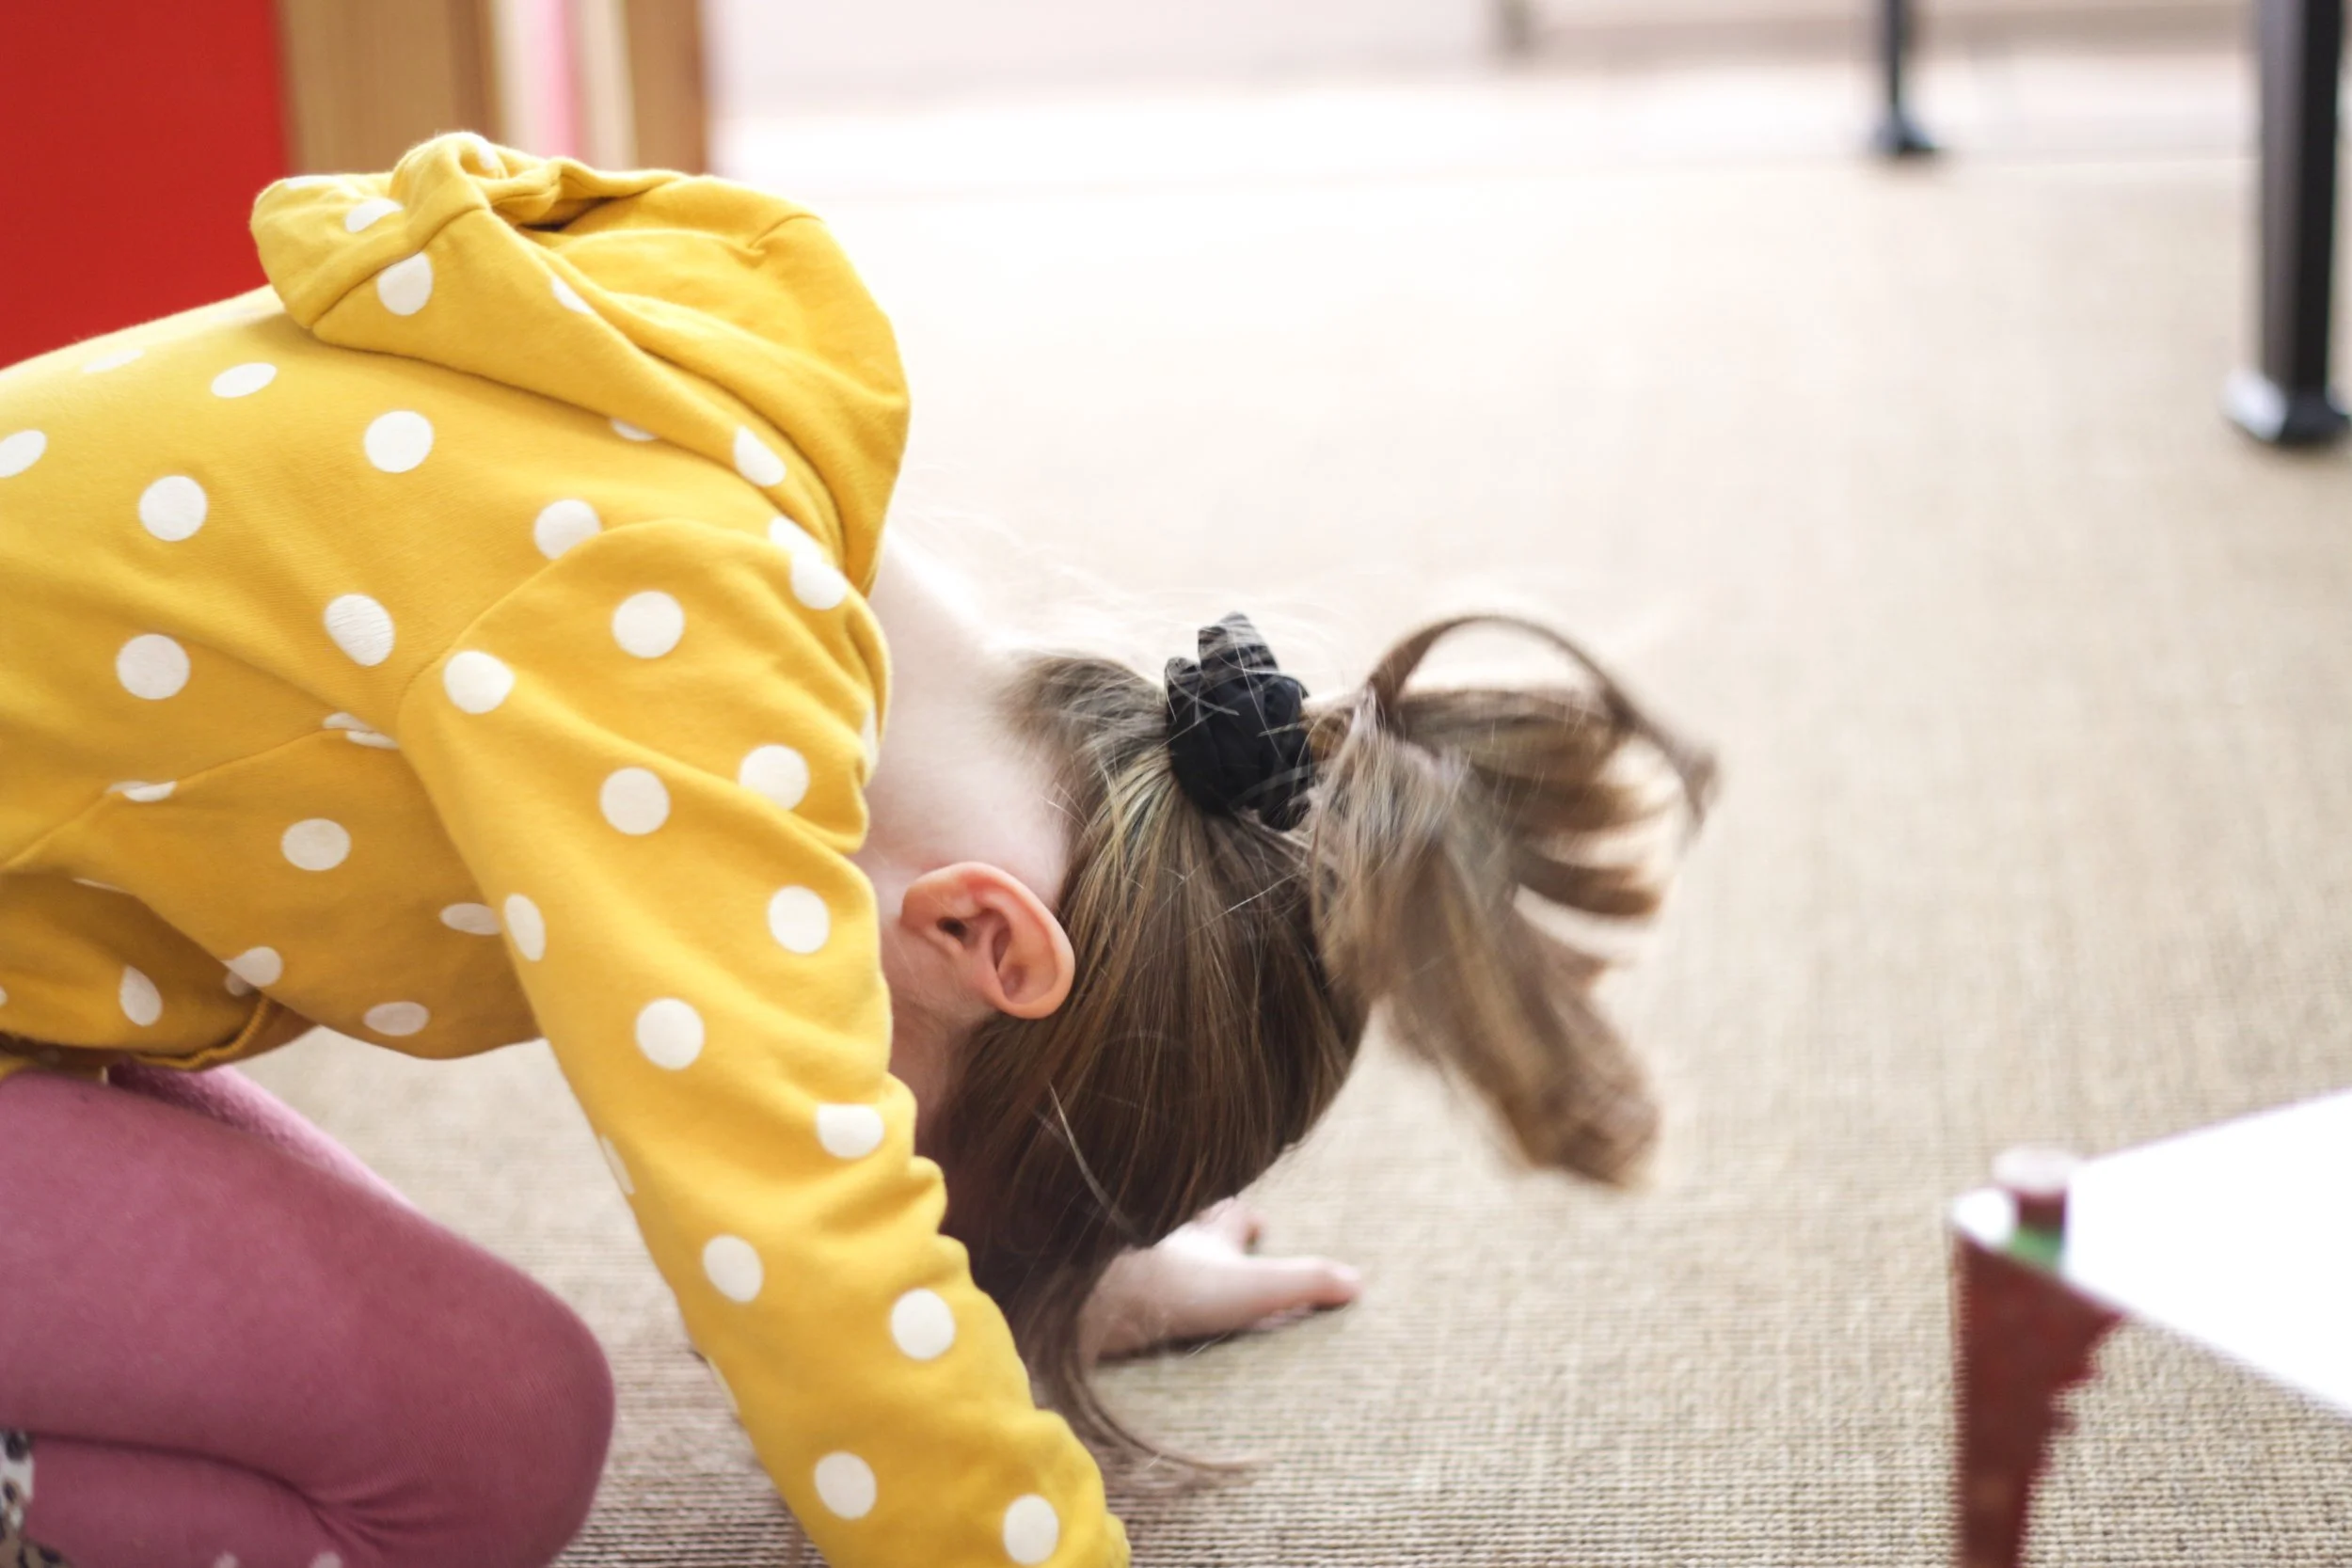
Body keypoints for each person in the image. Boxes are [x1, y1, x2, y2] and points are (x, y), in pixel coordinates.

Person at [0, 134, 1710, 1568]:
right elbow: (793, 1235)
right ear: (984, 938)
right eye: (918, 1163)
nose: (862, 1141)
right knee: (483, 1455)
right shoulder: (660, 645)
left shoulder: (737, 448)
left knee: (486, 1392)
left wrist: (1059, 1252)